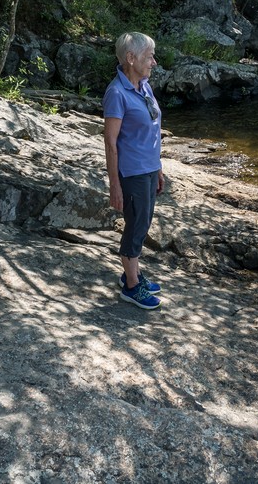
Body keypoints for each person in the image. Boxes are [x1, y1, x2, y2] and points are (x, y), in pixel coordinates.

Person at [103, 32, 165, 310]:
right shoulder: (116, 93)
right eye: (149, 56)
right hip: (132, 173)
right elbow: (110, 143)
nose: (153, 62)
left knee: (143, 222)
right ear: (131, 58)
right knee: (137, 226)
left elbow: (152, 130)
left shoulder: (144, 86)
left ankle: (133, 273)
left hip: (149, 169)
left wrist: (159, 168)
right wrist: (114, 184)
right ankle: (130, 286)